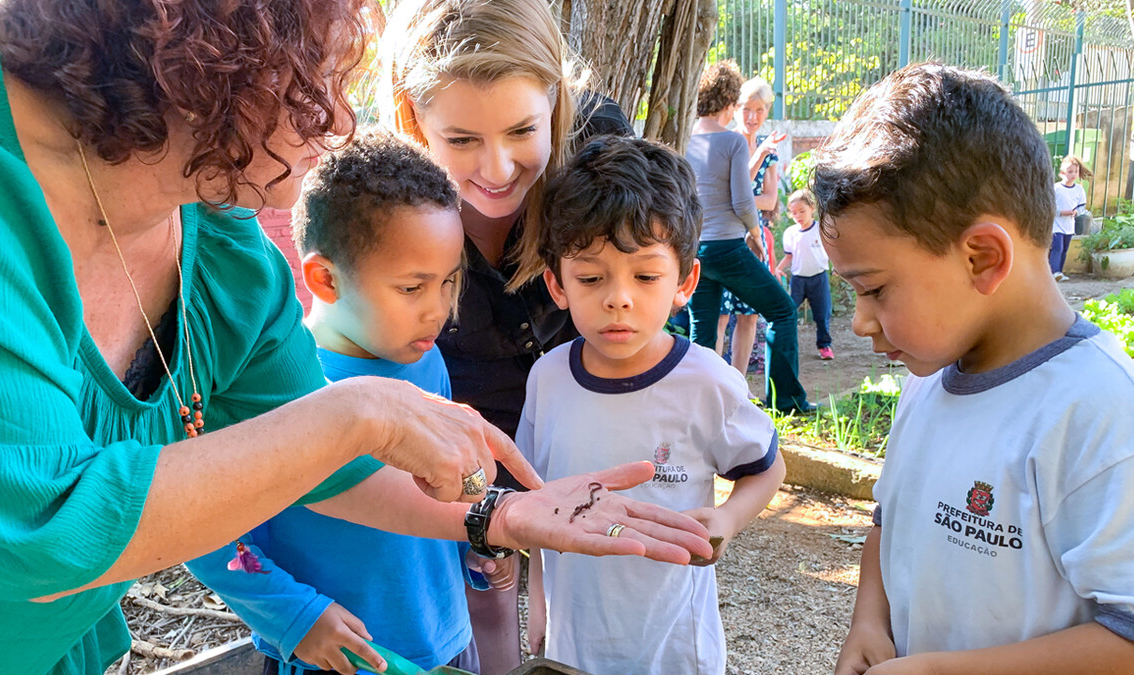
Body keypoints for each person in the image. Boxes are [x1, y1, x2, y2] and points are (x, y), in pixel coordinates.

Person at [0, 1, 714, 672]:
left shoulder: (223, 249)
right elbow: (48, 532)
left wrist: (496, 516)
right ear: (207, 62)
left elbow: (324, 473)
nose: (341, 119)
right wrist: (357, 414)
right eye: (316, 81)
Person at [815, 63, 1134, 675]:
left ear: (982, 256)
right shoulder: (927, 377)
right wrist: (869, 619)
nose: (860, 322)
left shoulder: (1098, 411)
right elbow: (891, 514)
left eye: (875, 289)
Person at [187, 131, 510, 675]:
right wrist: (294, 617)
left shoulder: (426, 359)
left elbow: (453, 478)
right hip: (336, 655)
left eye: (449, 283)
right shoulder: (268, 387)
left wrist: (475, 539)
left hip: (445, 637)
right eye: (412, 288)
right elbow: (206, 535)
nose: (438, 310)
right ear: (325, 278)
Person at [376, 0, 634, 670]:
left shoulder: (601, 158)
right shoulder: (381, 204)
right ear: (411, 116)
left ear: (556, 98)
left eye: (522, 130)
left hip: (585, 429)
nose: (496, 168)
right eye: (462, 140)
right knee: (482, 601)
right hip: (459, 442)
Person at [521, 136, 786, 674]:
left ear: (685, 280)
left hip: (675, 649)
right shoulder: (547, 379)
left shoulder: (708, 381)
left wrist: (729, 519)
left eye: (645, 276)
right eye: (592, 278)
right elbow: (539, 502)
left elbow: (767, 467)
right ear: (557, 284)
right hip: (574, 645)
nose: (619, 297)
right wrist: (539, 602)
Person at [685, 60, 813, 412]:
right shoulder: (731, 141)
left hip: (696, 250)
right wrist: (755, 235)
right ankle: (786, 402)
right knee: (783, 311)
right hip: (729, 247)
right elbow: (743, 201)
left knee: (704, 330)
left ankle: (700, 405)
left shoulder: (685, 141)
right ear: (729, 102)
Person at [722, 76, 790, 375]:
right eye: (747, 108)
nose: (752, 117)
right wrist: (747, 194)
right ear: (735, 108)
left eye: (760, 110)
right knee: (720, 315)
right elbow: (728, 195)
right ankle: (714, 385)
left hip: (756, 238)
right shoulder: (725, 143)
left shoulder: (770, 150)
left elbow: (771, 200)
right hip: (725, 236)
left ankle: (737, 383)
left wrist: (742, 198)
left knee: (749, 314)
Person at [776, 189, 833, 360]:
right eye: (794, 213)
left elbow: (832, 250)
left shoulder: (821, 229)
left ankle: (824, 346)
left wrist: (838, 266)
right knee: (789, 311)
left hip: (819, 277)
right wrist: (778, 269)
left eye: (802, 211)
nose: (798, 216)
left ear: (812, 208)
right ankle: (784, 346)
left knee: (822, 314)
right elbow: (789, 256)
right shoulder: (790, 233)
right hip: (798, 279)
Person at [1051, 155, 1091, 281]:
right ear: (1062, 173)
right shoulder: (1056, 188)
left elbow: (1081, 206)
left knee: (1065, 249)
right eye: (1070, 172)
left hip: (1069, 225)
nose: (1073, 174)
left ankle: (1059, 272)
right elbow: (1049, 206)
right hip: (1056, 224)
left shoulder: (1079, 190)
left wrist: (1075, 213)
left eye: (1076, 172)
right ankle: (1054, 272)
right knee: (1057, 247)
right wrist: (1061, 212)